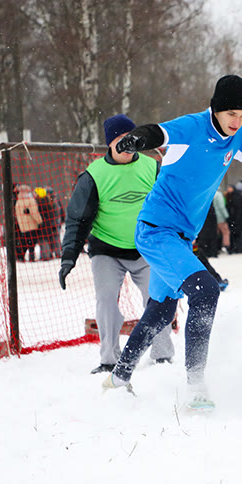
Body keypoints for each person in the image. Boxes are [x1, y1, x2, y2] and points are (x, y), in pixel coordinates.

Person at [95, 76, 242, 408]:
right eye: (231, 114)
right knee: (205, 290)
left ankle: (118, 378)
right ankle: (197, 388)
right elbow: (158, 132)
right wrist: (135, 140)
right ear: (215, 108)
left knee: (161, 311)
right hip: (156, 231)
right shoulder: (191, 128)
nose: (236, 122)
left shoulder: (236, 138)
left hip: (181, 241)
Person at [59, 114, 172, 374]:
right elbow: (77, 218)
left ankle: (162, 356)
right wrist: (68, 257)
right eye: (119, 140)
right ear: (109, 143)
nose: (126, 145)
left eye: (130, 139)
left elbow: (170, 207)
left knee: (159, 297)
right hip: (106, 250)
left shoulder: (152, 166)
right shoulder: (94, 175)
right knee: (107, 298)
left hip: (146, 248)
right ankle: (109, 359)